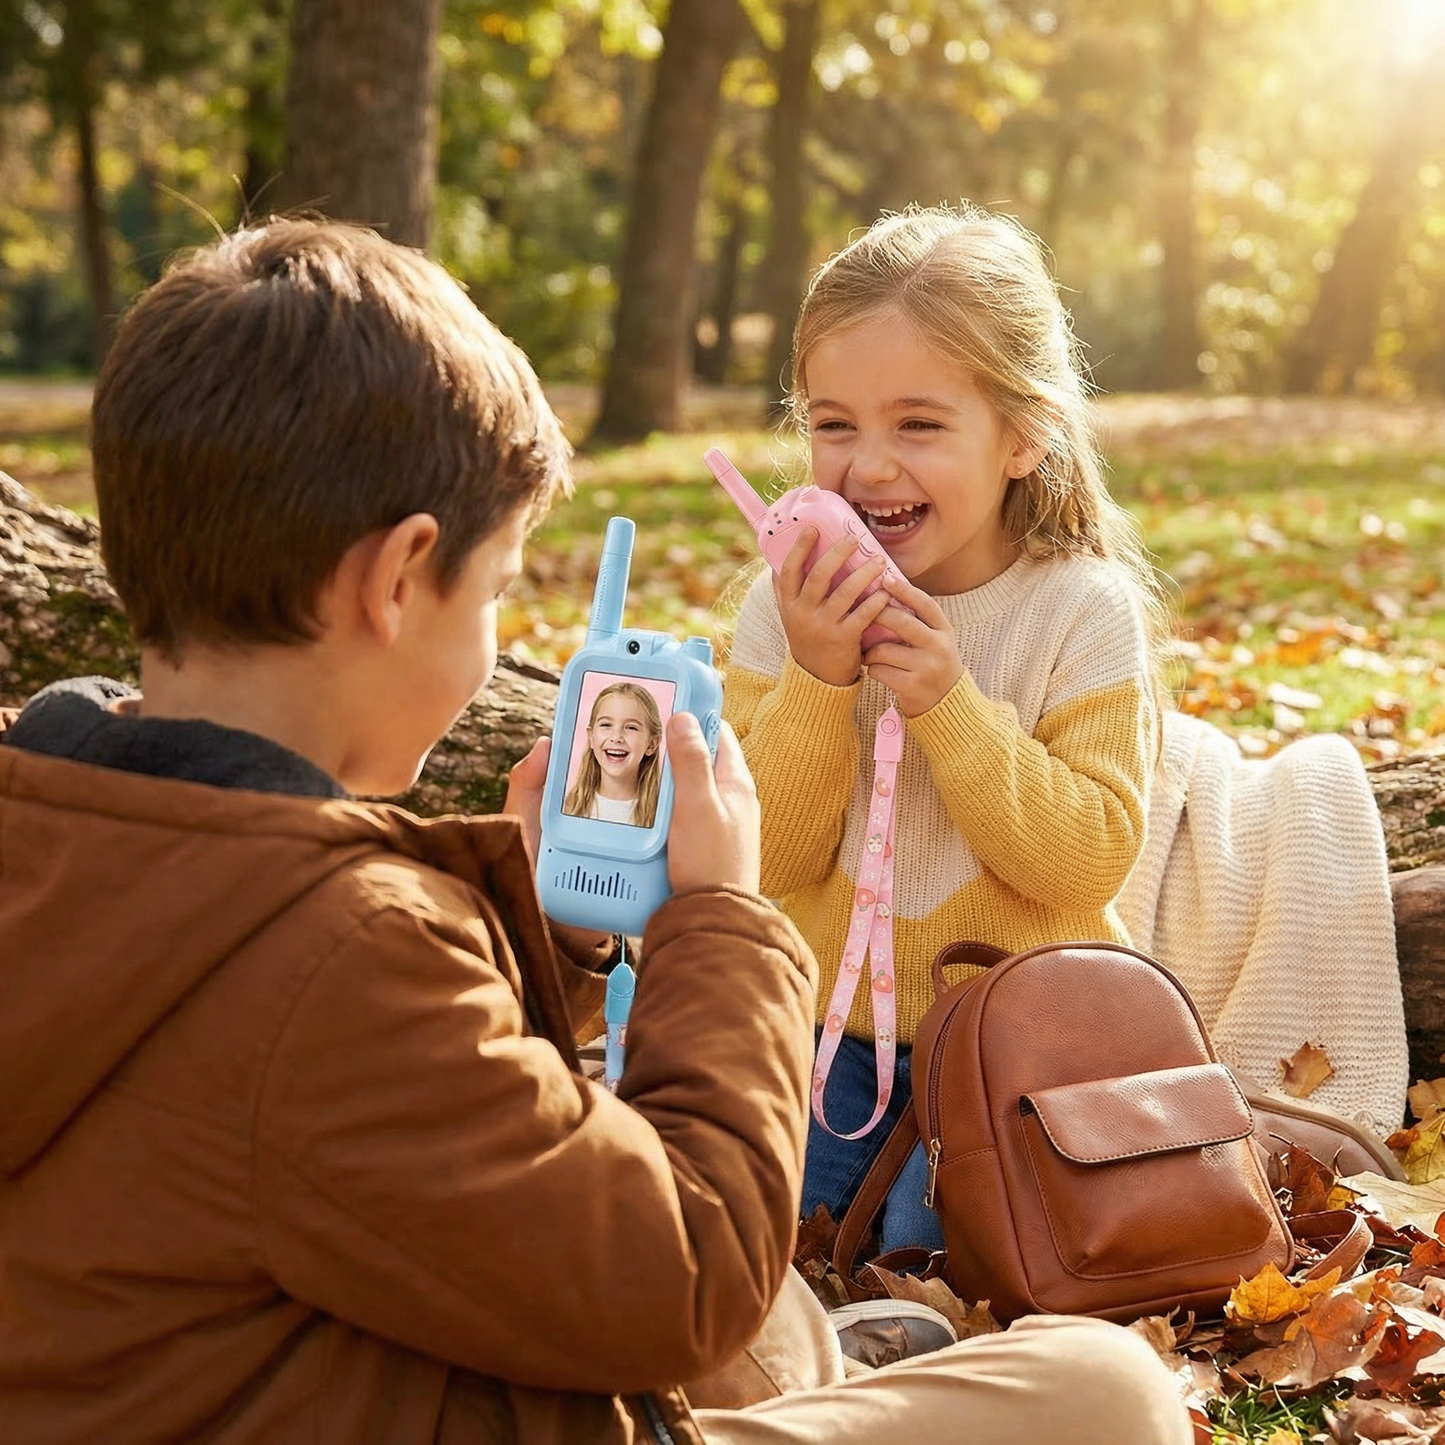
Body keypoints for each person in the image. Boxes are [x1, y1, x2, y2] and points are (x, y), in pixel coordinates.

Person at [0, 218, 1189, 1445]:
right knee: (1107, 1392)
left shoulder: (56, 815)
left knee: (777, 1317)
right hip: (498, 1384)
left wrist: (543, 933)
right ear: (397, 579)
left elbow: (381, 1128)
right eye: (501, 583)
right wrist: (715, 920)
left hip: (295, 1356)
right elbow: (682, 1275)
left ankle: (823, 1357)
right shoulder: (339, 957)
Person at [723, 203, 1167, 1253]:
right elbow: (761, 855)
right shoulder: (775, 608)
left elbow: (1085, 858)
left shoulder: (1077, 611)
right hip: (830, 1048)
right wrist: (817, 680)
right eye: (833, 424)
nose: (867, 466)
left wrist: (946, 708)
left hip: (1022, 1050)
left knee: (966, 1256)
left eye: (916, 425)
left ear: (1023, 435)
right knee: (760, 1243)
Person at [563, 680, 663, 827]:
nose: (616, 738)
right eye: (606, 725)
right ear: (591, 736)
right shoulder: (569, 807)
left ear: (651, 744)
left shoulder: (661, 816)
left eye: (631, 727)